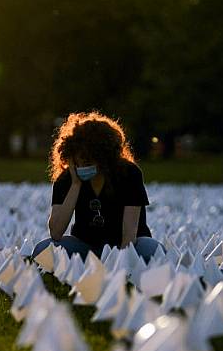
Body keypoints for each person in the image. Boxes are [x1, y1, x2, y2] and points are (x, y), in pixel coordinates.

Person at [32, 111, 165, 263]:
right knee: (42, 250)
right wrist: (75, 185)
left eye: (88, 161)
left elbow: (129, 233)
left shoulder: (129, 173)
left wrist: (117, 264)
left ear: (104, 158)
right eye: (78, 160)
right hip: (86, 246)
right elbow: (56, 232)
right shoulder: (67, 178)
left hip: (129, 246)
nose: (82, 165)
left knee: (152, 249)